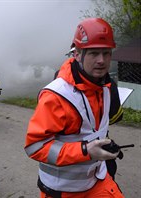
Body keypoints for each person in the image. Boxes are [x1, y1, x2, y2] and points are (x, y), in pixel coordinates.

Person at [24, 18, 124, 198]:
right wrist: (85, 151)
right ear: (77, 54)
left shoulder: (106, 87)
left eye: (106, 53)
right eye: (94, 53)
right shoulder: (56, 96)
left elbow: (94, 131)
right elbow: (35, 146)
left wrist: (106, 146)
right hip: (62, 190)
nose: (101, 61)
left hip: (97, 179)